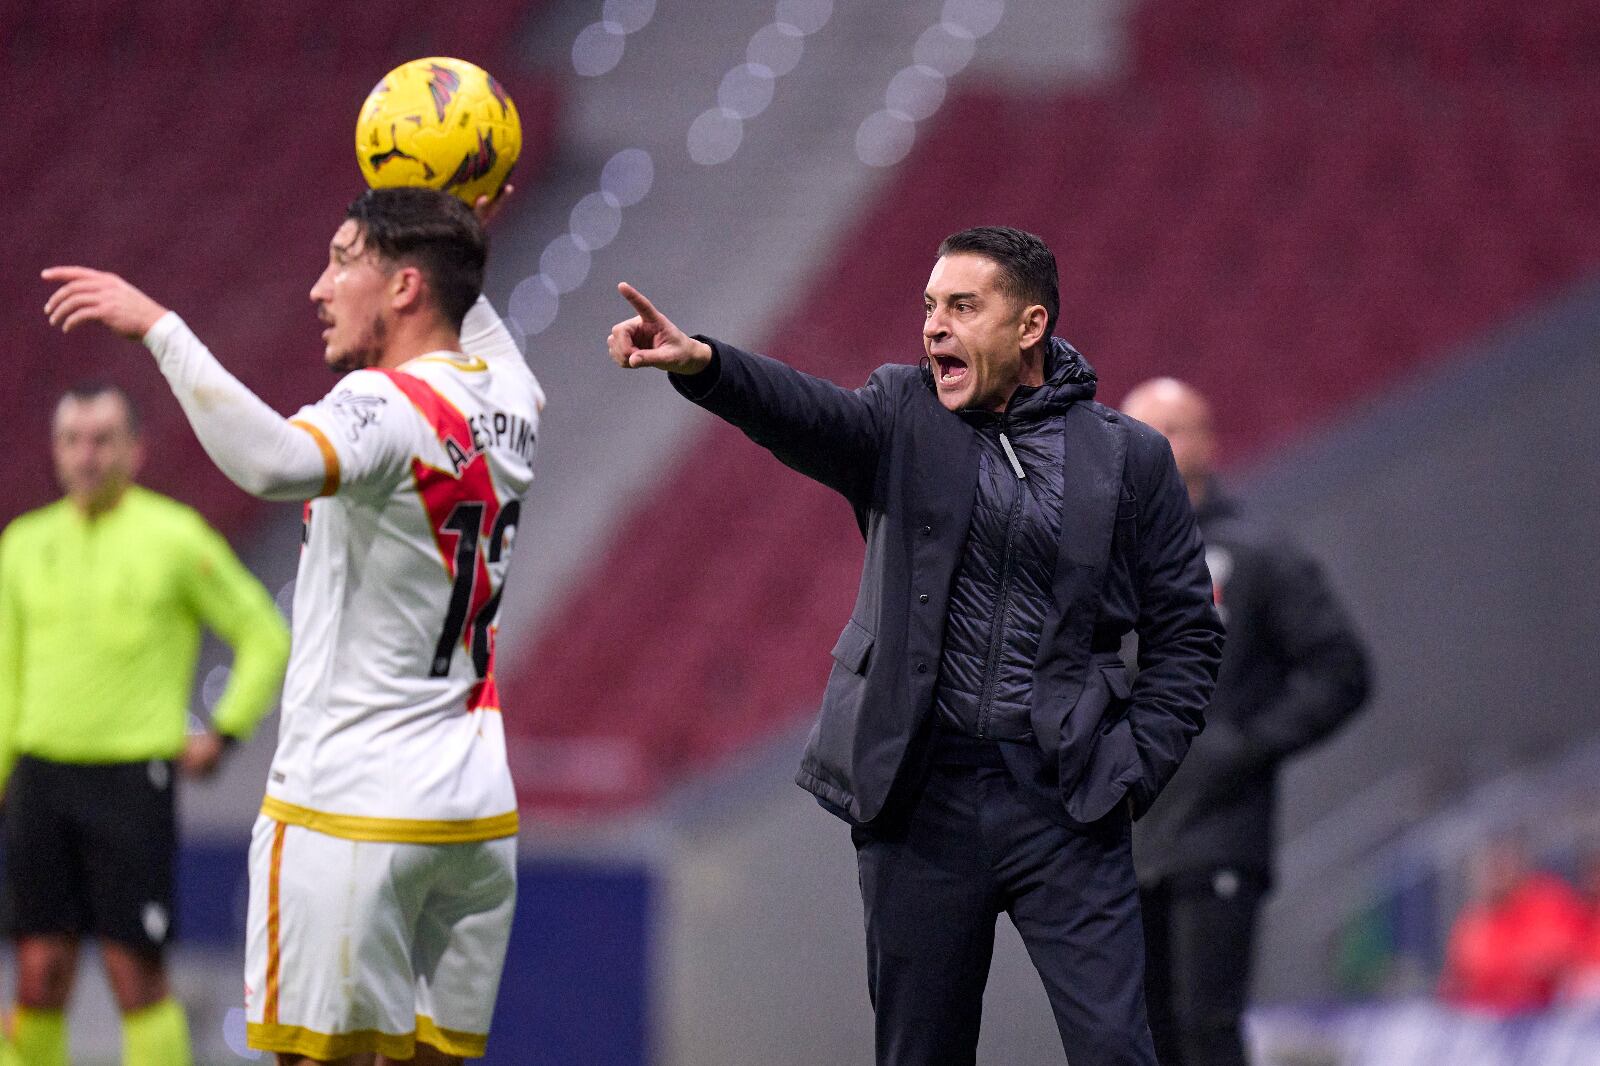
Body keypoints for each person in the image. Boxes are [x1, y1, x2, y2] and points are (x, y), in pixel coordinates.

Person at [606, 226, 1224, 1066]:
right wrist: (703, 364)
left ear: (1030, 326)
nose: (935, 326)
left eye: (963, 307)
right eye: (929, 307)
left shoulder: (1128, 457)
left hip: (1067, 800)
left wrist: (1134, 765)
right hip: (922, 800)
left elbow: (1187, 632)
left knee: (1118, 1050)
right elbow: (804, 414)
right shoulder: (903, 413)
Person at [42, 186, 545, 1066]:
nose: (319, 286)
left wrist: (160, 327)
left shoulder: (387, 406)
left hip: (351, 809)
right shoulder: (514, 395)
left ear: (404, 288)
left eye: (343, 261)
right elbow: (466, 297)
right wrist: (456, 212)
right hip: (472, 817)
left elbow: (274, 462)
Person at [0, 383, 291, 1066]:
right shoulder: (22, 543)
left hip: (131, 779)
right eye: (72, 440)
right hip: (40, 778)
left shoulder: (174, 536)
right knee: (39, 974)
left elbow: (263, 632)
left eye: (102, 439)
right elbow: (7, 673)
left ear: (135, 450)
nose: (87, 455)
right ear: (55, 452)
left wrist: (224, 731)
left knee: (137, 978)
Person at [1120, 378, 1372, 1066]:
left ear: (1209, 445)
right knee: (1138, 1037)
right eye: (1140, 429)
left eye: (1173, 429)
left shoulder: (1258, 553)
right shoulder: (1105, 559)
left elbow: (1342, 670)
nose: (1156, 445)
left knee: (1206, 1029)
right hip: (1123, 841)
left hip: (1216, 834)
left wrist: (1242, 745)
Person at [1440, 833, 1587, 1014]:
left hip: (1541, 1017)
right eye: (1489, 868)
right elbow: (1455, 981)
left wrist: (1499, 971)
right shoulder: (1474, 918)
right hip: (1485, 1020)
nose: (1494, 875)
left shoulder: (1546, 902)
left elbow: (1549, 963)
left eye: (1501, 866)